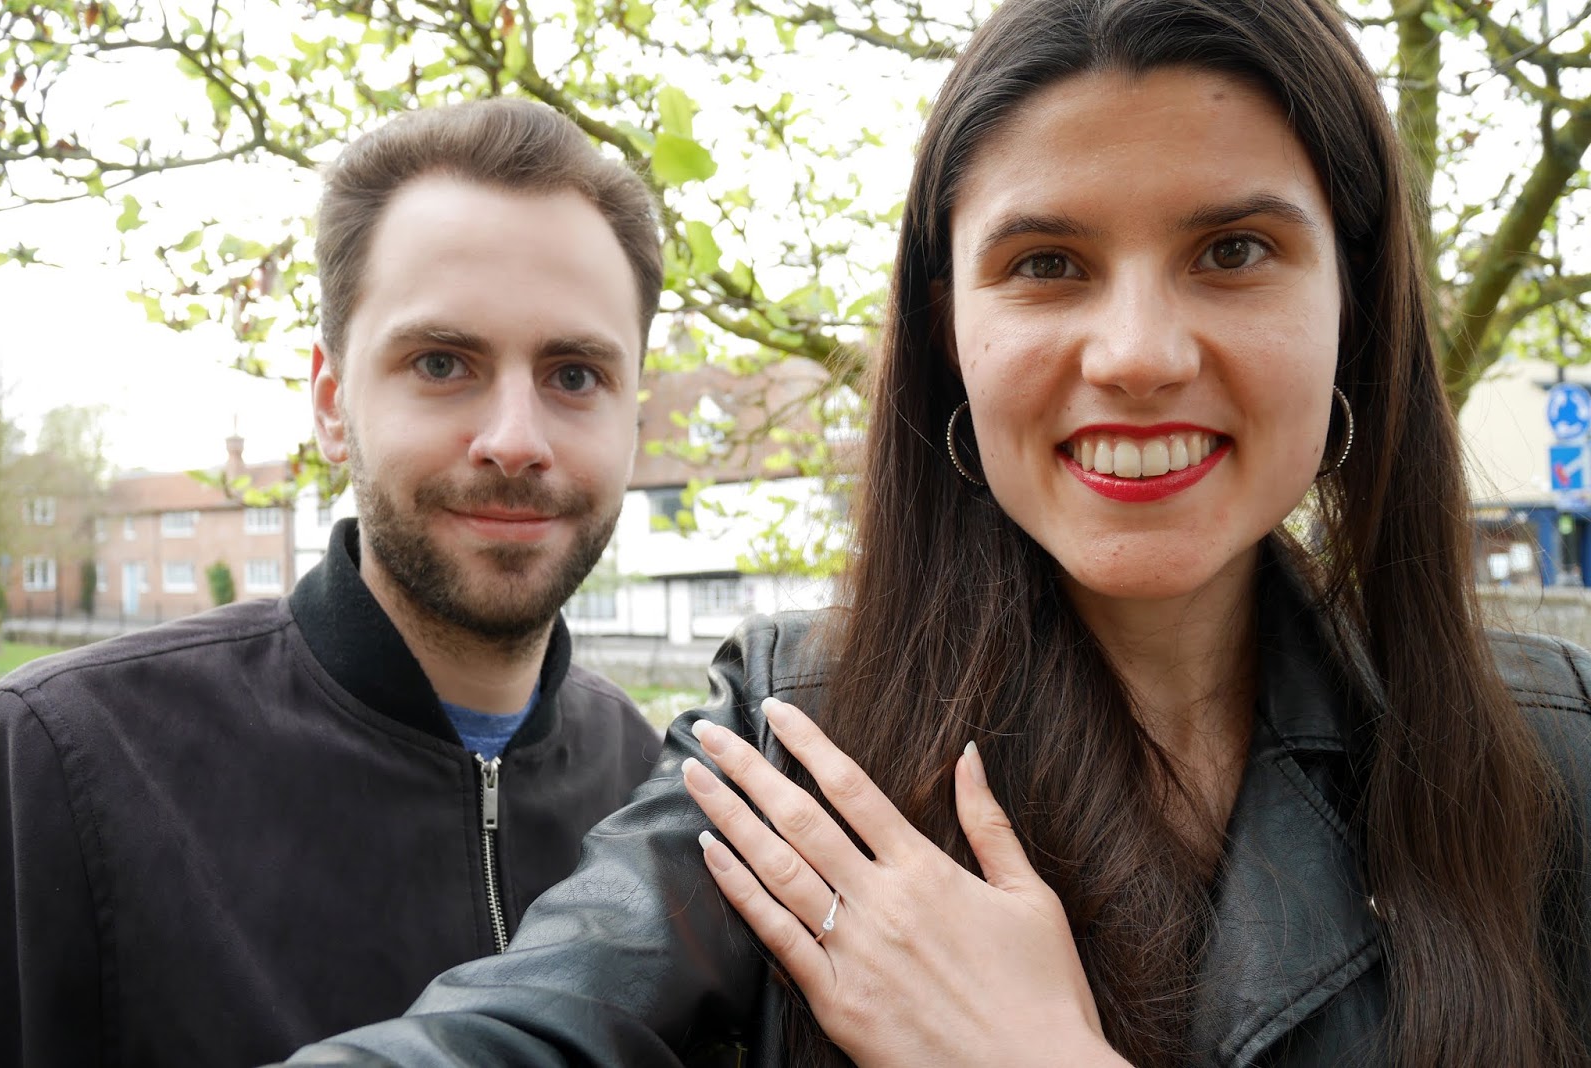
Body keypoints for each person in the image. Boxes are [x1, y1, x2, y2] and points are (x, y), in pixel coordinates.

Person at [283, 1, 1591, 1065]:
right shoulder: (802, 743)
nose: (1136, 355)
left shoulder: (1555, 763)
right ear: (949, 337)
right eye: (1046, 264)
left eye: (1235, 249)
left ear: (1355, 306)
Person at [0, 98, 665, 1067]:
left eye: (573, 376)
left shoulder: (651, 792)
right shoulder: (60, 764)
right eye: (442, 362)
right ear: (332, 404)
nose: (515, 440)